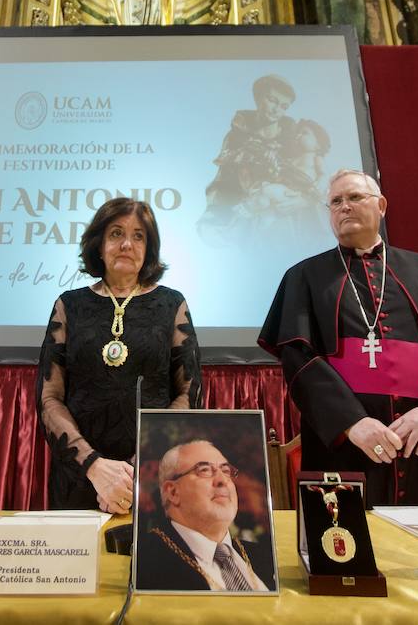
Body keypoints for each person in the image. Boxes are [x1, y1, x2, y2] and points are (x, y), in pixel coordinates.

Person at [258, 168, 418, 505]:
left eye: (354, 197)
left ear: (381, 205)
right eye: (335, 202)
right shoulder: (304, 276)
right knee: (348, 545)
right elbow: (298, 358)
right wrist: (350, 422)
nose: (344, 207)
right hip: (346, 443)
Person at [37, 197, 201, 512]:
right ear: (99, 245)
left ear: (149, 248)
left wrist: (139, 468)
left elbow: (189, 393)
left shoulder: (172, 304)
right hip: (79, 478)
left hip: (152, 479)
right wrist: (95, 466)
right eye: (116, 233)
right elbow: (49, 397)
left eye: (139, 235)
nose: (127, 243)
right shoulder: (69, 305)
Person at [135, 439, 274, 591]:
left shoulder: (264, 555)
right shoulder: (148, 561)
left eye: (226, 471)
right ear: (173, 492)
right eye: (205, 470)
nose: (223, 480)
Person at [199, 74, 300, 244]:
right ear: (258, 97)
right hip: (239, 208)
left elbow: (303, 179)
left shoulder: (291, 139)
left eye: (283, 106)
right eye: (272, 100)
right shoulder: (237, 135)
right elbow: (224, 177)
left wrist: (300, 200)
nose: (276, 110)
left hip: (280, 211)